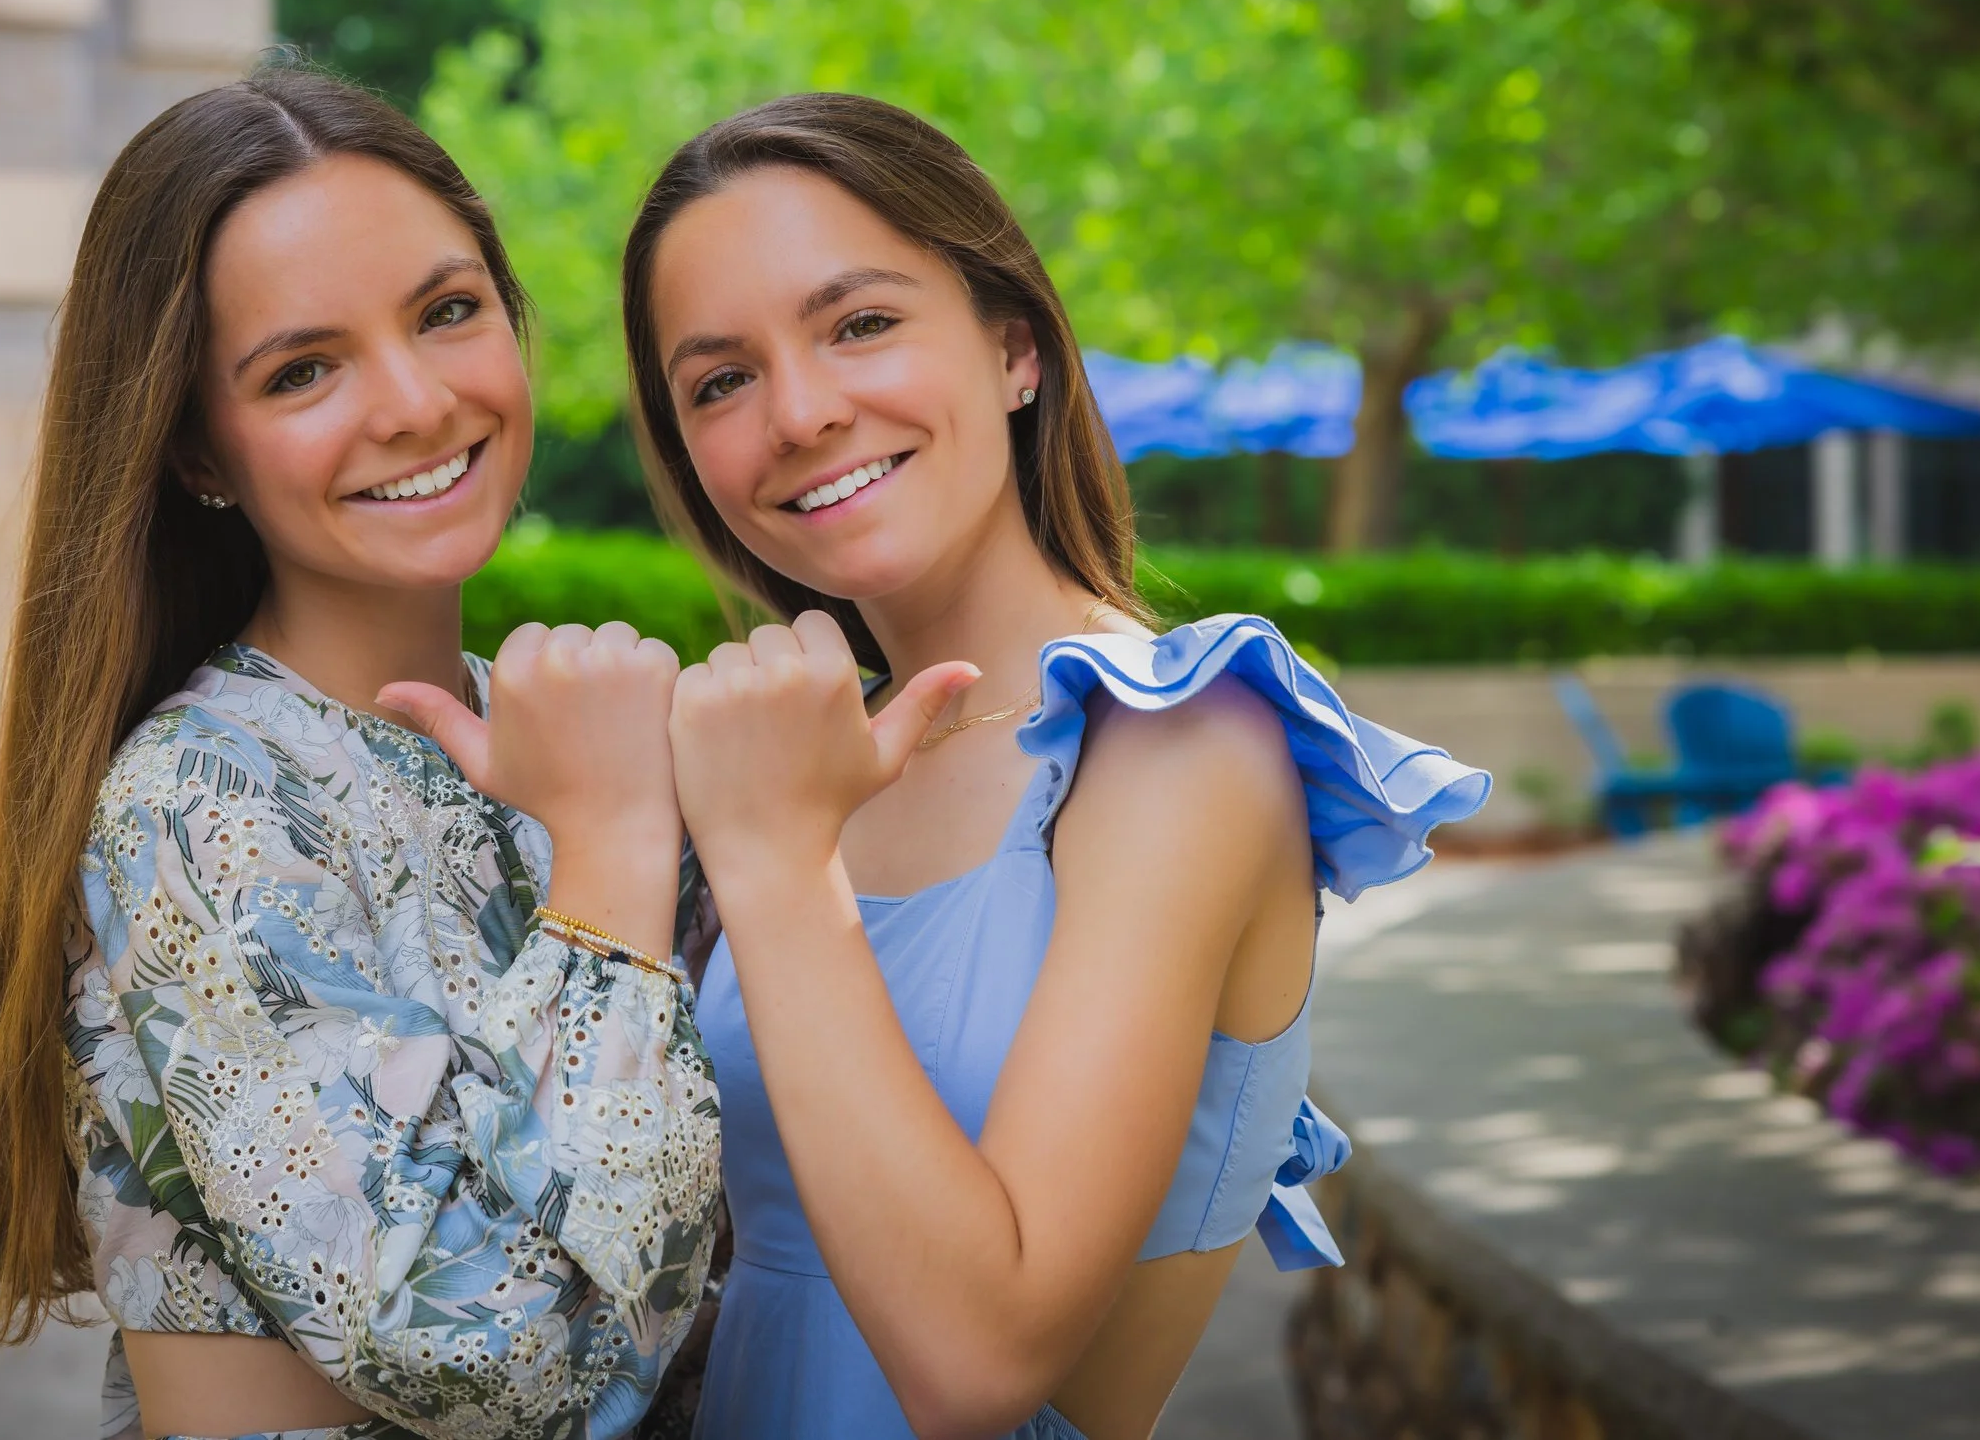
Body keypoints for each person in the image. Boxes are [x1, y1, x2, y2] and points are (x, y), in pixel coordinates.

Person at [608, 93, 1490, 1439]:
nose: (797, 411)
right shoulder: (809, 763)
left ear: (1014, 350)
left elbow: (974, 1362)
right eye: (720, 380)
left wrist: (776, 862)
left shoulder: (1179, 741)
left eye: (859, 323)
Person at [0, 66, 721, 1440]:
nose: (416, 401)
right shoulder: (202, 798)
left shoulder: (559, 745)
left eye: (448, 311)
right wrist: (612, 856)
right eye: (304, 368)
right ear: (197, 447)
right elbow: (497, 1366)